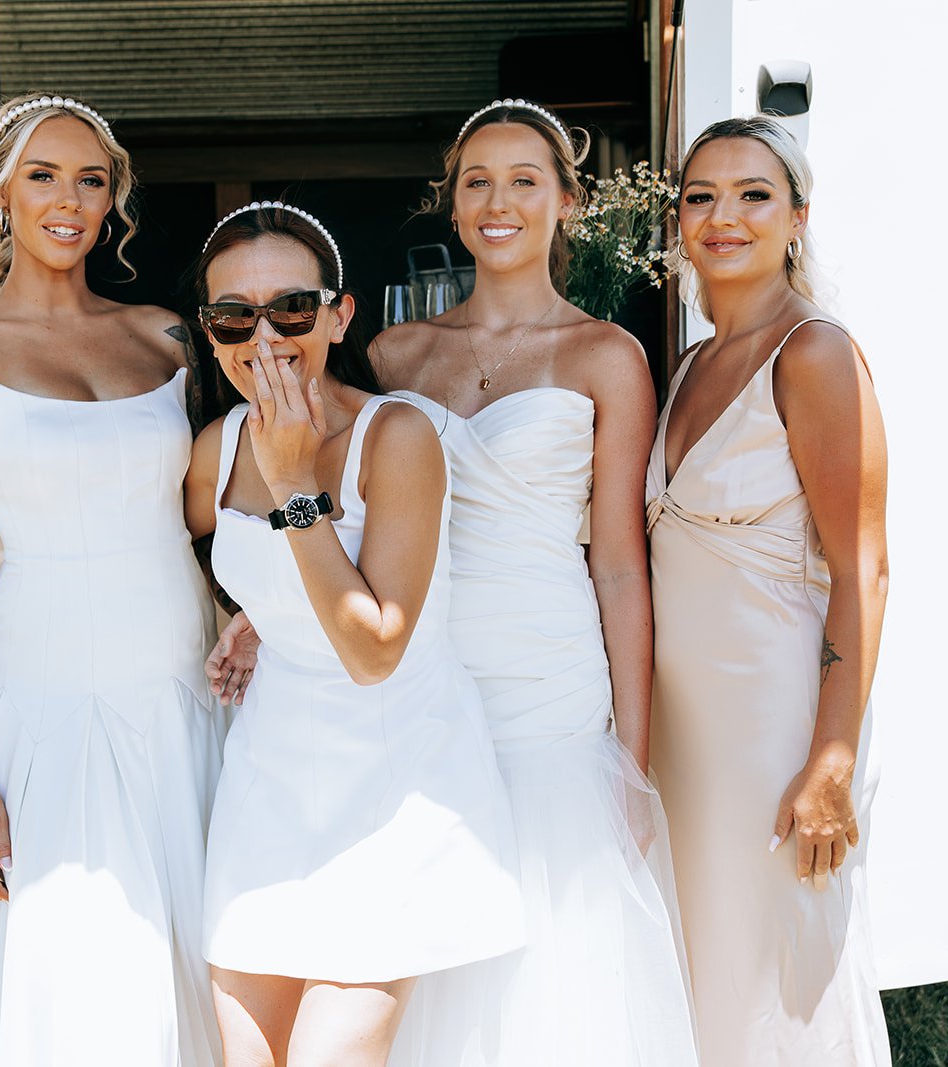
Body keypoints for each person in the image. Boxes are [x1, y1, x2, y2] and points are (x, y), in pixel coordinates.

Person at [0, 92, 223, 1066]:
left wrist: (251, 614)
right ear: (1, 191)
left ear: (113, 198)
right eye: (42, 175)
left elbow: (225, 502)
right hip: (42, 700)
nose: (68, 199)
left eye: (90, 179)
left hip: (179, 686)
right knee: (76, 980)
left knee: (192, 954)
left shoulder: (167, 336)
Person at [375, 99, 698, 1066]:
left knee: (558, 947)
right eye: (478, 182)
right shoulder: (396, 355)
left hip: (553, 684)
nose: (498, 202)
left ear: (567, 202)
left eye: (525, 181)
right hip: (430, 674)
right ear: (453, 204)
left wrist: (631, 759)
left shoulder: (608, 356)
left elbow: (621, 567)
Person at [186, 202, 523, 1067]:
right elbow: (196, 555)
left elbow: (375, 649)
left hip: (394, 780)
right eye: (235, 316)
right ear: (211, 334)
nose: (265, 336)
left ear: (339, 316)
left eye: (292, 308)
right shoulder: (216, 448)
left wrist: (294, 485)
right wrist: (250, 616)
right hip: (269, 784)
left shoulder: (397, 436)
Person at [647, 114, 890, 1065]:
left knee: (779, 988)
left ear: (797, 217)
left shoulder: (814, 353)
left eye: (754, 195)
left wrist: (832, 756)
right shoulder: (689, 365)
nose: (724, 217)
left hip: (775, 727)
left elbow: (864, 567)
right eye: (701, 196)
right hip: (682, 734)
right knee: (704, 975)